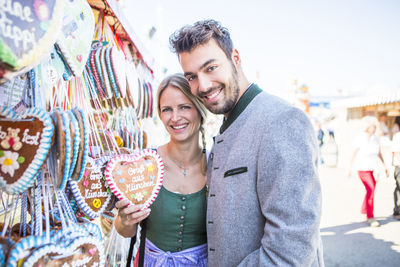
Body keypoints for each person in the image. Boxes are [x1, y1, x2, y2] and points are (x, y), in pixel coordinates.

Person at [170, 19, 324, 266]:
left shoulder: (282, 120)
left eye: (210, 68)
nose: (203, 85)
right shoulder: (227, 124)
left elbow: (290, 250)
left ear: (236, 58)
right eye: (192, 76)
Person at [114, 73, 208, 266]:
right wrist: (125, 220)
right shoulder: (145, 164)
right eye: (167, 109)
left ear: (199, 109)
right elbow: (126, 231)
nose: (175, 117)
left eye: (184, 107)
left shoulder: (218, 164)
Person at [348, 116, 389, 227]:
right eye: (373, 126)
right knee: (370, 189)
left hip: (372, 168)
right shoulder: (360, 138)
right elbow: (353, 153)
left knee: (370, 190)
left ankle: (364, 208)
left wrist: (385, 165)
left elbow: (379, 152)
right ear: (367, 127)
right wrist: (350, 168)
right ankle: (370, 216)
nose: (374, 128)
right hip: (362, 168)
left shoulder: (375, 138)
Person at [392, 130, 400, 220]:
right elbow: (396, 152)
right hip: (399, 165)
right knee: (399, 187)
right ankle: (397, 210)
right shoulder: (397, 136)